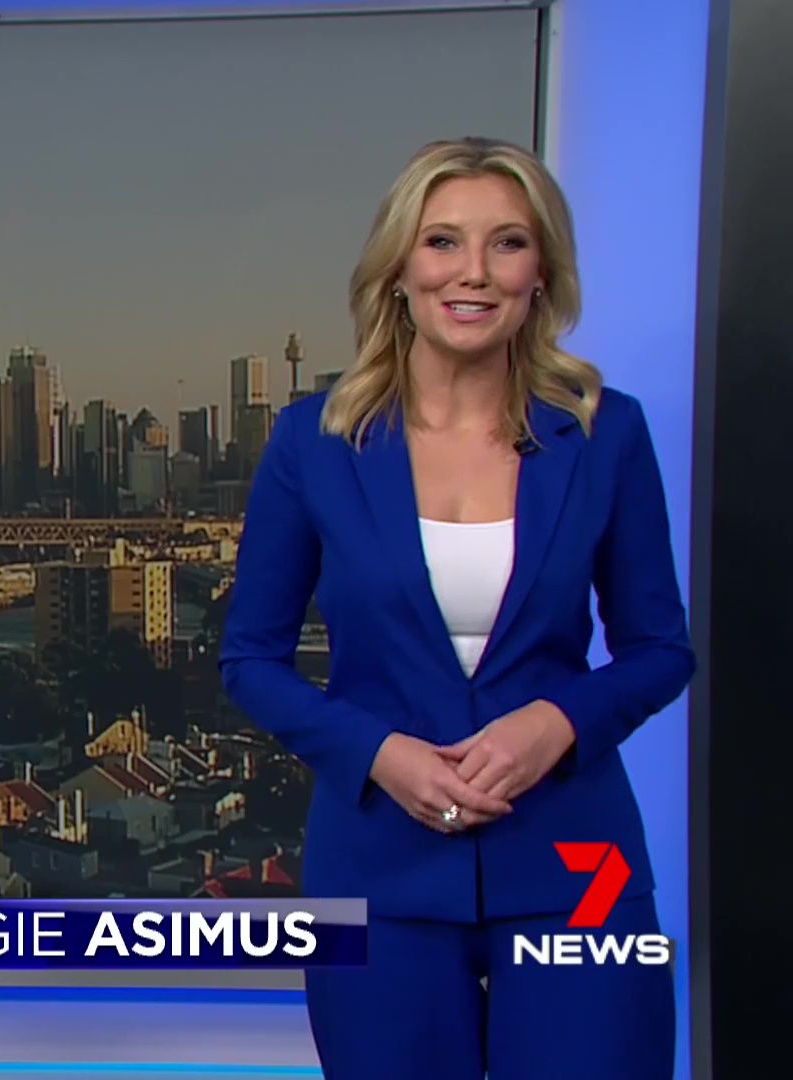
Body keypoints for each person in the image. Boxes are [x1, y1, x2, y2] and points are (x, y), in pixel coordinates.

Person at [218, 136, 694, 1079]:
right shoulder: (314, 443)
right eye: (442, 242)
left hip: (582, 869)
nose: (472, 271)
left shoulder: (607, 430)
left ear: (540, 273)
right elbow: (250, 660)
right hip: (374, 872)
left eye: (506, 243)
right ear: (398, 271)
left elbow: (659, 648)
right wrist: (379, 755)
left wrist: (555, 725)